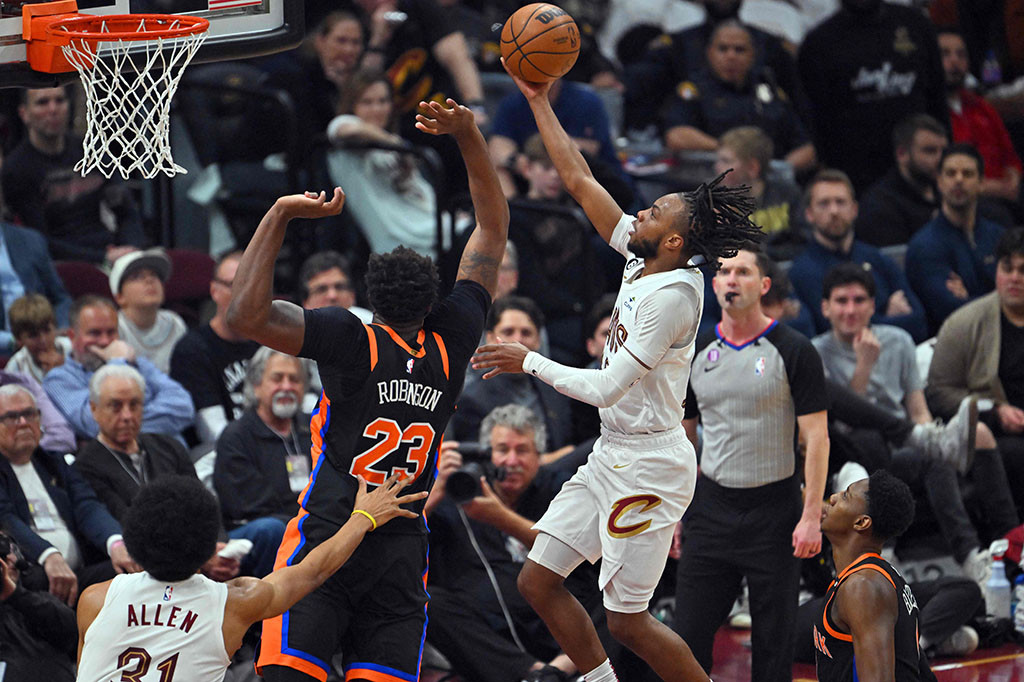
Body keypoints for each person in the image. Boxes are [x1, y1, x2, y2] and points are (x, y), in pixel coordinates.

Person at [472, 58, 764, 682]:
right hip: (613, 452)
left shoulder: (675, 296)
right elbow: (577, 178)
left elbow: (605, 387)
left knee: (628, 620)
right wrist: (538, 100)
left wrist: (527, 359)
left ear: (677, 243)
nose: (642, 214)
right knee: (538, 579)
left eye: (656, 212)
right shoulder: (643, 256)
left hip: (652, 466)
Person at [227, 97, 507, 682]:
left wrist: (278, 213)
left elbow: (245, 315)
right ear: (432, 303)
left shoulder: (350, 337)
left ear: (371, 304)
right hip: (399, 553)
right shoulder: (453, 335)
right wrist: (468, 135)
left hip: (326, 535)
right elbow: (491, 226)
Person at [74, 473, 426, 682]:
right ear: (207, 543)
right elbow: (314, 570)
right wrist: (363, 517)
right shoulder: (233, 605)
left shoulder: (94, 600)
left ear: (136, 536)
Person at [673, 246, 830, 682]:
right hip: (711, 508)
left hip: (776, 510)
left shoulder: (794, 350)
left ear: (763, 286)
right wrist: (677, 512)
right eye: (724, 272)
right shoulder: (695, 349)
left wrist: (811, 516)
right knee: (686, 635)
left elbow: (817, 438)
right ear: (714, 284)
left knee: (773, 645)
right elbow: (682, 436)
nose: (731, 279)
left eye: (743, 272)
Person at [813, 263, 1019, 591]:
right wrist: (864, 367)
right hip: (851, 455)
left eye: (859, 300)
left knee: (935, 459)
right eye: (841, 301)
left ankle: (972, 558)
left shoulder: (898, 340)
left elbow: (918, 410)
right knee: (868, 438)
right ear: (825, 307)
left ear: (872, 305)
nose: (850, 309)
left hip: (898, 451)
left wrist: (927, 432)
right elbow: (837, 424)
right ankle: (884, 552)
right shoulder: (814, 353)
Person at [72, 364, 282, 582]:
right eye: (116, 406)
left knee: (271, 531)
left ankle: (272, 613)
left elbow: (204, 503)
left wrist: (216, 547)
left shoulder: (168, 446)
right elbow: (127, 525)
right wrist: (200, 557)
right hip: (150, 558)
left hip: (201, 547)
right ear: (94, 409)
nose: (127, 415)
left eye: (134, 405)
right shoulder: (86, 465)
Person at [425, 404, 589, 682]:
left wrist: (500, 517)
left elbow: (573, 548)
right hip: (490, 641)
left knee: (615, 585)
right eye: (502, 450)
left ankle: (560, 670)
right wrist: (436, 491)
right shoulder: (461, 491)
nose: (511, 461)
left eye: (522, 450)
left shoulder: (560, 488)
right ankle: (536, 676)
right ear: (486, 453)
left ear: (540, 456)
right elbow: (405, 544)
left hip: (559, 629)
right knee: (428, 600)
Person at [0, 384, 139, 607]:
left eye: (29, 414)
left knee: (133, 570)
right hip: (32, 571)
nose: (24, 423)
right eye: (11, 417)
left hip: (80, 571)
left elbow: (88, 507)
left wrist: (116, 544)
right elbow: (6, 519)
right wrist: (49, 555)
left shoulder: (55, 462)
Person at [797, 0, 948, 192]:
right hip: (857, 177)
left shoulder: (916, 25)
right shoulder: (819, 43)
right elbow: (816, 121)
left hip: (921, 169)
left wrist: (945, 155)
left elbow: (937, 99)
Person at [927, 227, 1024, 513]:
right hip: (997, 432)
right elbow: (938, 392)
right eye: (1007, 268)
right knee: (1014, 454)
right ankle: (1011, 538)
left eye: (1023, 269)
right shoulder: (965, 323)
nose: (1015, 278)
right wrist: (995, 410)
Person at [0, 86, 145, 264]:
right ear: (24, 113)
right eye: (42, 103)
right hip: (62, 262)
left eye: (59, 100)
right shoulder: (17, 169)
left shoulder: (91, 151)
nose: (53, 109)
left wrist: (131, 249)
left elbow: (127, 212)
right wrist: (103, 258)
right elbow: (39, 240)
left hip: (110, 250)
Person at [815, 471, 934, 682]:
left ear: (861, 522)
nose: (832, 498)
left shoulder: (862, 587)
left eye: (845, 496)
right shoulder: (871, 578)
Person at [326, 68, 456, 256]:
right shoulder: (346, 143)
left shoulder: (397, 145)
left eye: (383, 101)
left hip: (435, 226)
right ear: (352, 105)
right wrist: (392, 143)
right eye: (367, 102)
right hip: (404, 239)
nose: (377, 109)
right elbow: (344, 129)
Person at [788, 169, 928, 341]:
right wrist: (887, 315)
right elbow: (829, 331)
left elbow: (919, 321)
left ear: (854, 209)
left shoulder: (877, 258)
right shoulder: (802, 271)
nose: (834, 211)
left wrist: (871, 322)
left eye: (840, 202)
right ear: (809, 214)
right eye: (824, 203)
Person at [663, 21, 815, 174]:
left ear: (752, 55)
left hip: (765, 184)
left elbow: (806, 149)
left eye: (739, 50)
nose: (731, 56)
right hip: (709, 180)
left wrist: (775, 172)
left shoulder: (768, 89)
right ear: (709, 53)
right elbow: (676, 136)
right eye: (723, 49)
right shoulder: (694, 90)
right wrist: (732, 150)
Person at [43, 296, 194, 440]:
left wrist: (124, 422)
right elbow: (96, 425)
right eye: (94, 333)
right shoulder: (59, 379)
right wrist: (117, 363)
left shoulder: (137, 364)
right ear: (72, 336)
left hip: (174, 457)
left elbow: (184, 408)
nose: (105, 341)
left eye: (111, 332)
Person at [449, 296, 575, 454]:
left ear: (538, 340)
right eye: (508, 332)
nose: (517, 341)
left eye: (526, 333)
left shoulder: (557, 389)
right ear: (489, 338)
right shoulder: (471, 398)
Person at [213, 347, 309, 545]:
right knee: (272, 529)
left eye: (294, 379)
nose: (287, 387)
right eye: (277, 378)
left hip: (308, 524)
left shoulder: (315, 428)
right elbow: (250, 506)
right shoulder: (236, 437)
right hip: (256, 531)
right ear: (256, 385)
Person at [906, 143, 1006, 331]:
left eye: (967, 174)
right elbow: (952, 311)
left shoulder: (999, 236)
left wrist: (971, 298)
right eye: (951, 173)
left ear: (982, 183)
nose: (958, 180)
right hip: (952, 344)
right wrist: (1005, 297)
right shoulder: (925, 246)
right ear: (939, 181)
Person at [169, 251, 259, 444]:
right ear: (214, 291)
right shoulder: (192, 350)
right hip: (222, 455)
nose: (242, 294)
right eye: (233, 285)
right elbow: (212, 430)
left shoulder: (271, 342)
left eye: (250, 285)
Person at [939, 28, 1022, 206]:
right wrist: (986, 187)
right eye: (945, 54)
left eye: (961, 55)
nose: (954, 61)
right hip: (966, 202)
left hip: (1007, 195)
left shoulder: (981, 106)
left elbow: (1010, 157)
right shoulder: (930, 112)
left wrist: (1013, 177)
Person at [855, 114, 950, 247]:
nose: (940, 159)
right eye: (930, 151)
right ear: (902, 154)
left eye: (943, 151)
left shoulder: (948, 192)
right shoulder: (879, 206)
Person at [0, 529, 77, 682]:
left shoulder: (35, 601)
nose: (11, 559)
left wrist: (15, 595)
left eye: (10, 549)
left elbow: (71, 633)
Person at [713, 126, 804, 252]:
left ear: (752, 167)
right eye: (718, 160)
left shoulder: (788, 194)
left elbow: (802, 241)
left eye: (726, 161)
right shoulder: (715, 203)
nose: (717, 167)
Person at [109, 249, 187, 374]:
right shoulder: (112, 328)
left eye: (154, 275)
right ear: (119, 297)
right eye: (137, 277)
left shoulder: (175, 323)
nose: (149, 280)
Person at [0, 219, 72, 353]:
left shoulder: (30, 240)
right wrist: (12, 342)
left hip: (46, 339)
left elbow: (61, 298)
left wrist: (59, 330)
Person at [7, 293, 71, 384]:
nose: (43, 340)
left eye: (47, 330)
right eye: (33, 335)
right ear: (19, 339)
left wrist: (66, 370)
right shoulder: (16, 366)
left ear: (55, 327)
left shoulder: (72, 349)